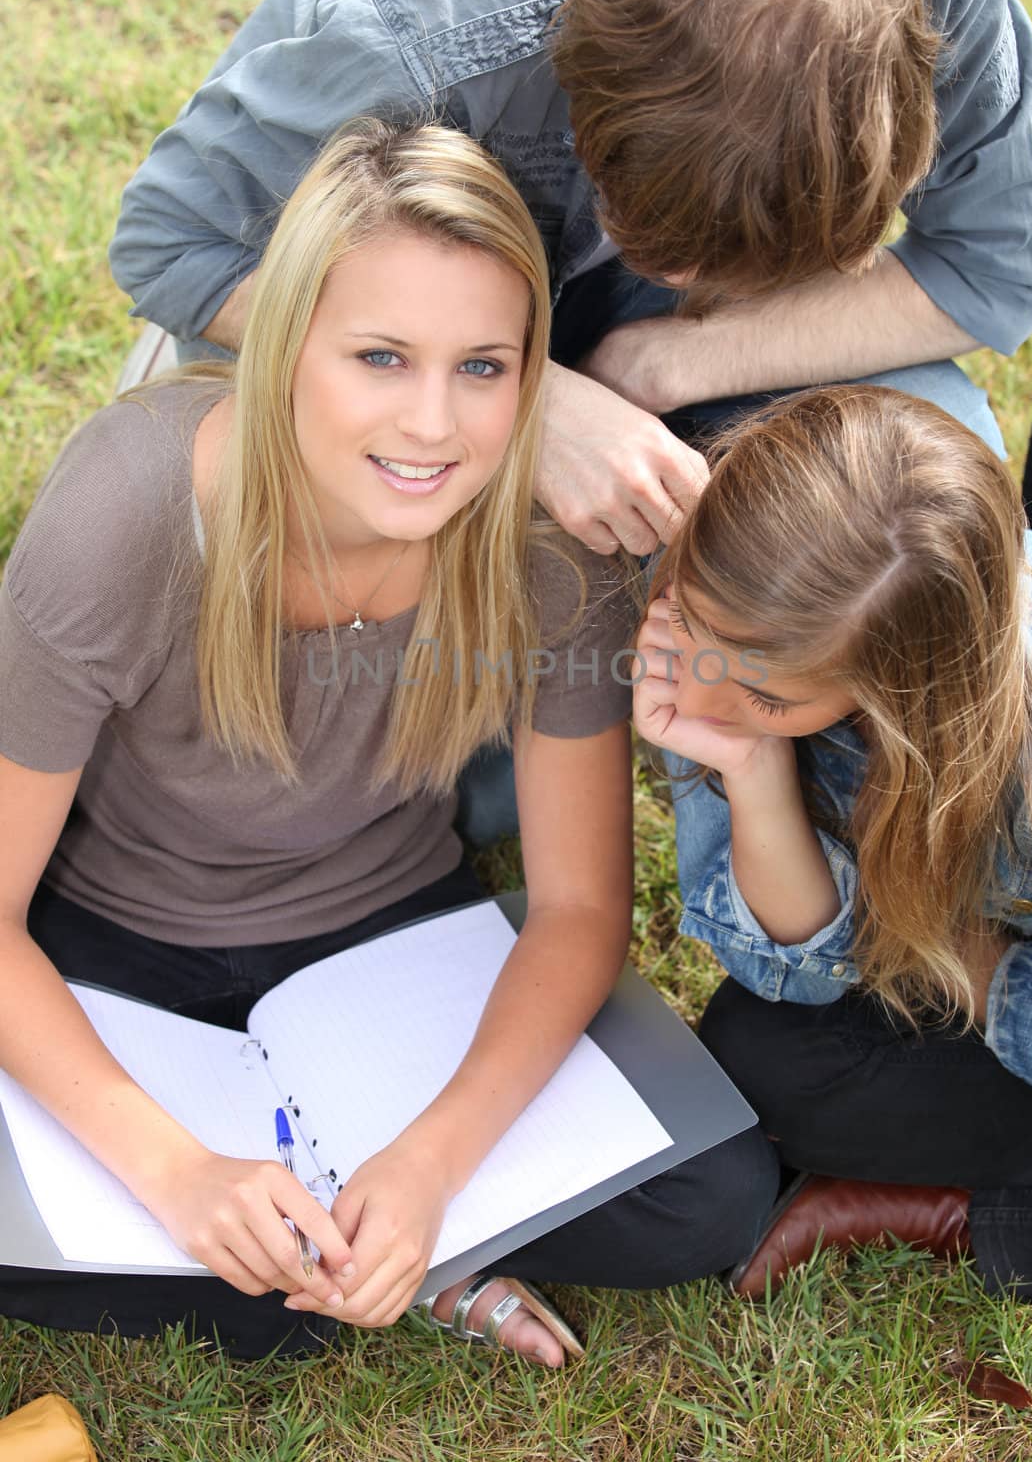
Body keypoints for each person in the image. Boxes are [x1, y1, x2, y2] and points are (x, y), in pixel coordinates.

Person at [0, 119, 775, 1364]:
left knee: (712, 1192)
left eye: (482, 367)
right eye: (378, 356)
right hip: (115, 943)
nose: (431, 426)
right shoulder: (127, 510)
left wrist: (428, 1165)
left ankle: (387, 1244)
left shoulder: (546, 540)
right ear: (284, 345)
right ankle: (377, 1265)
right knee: (119, 1226)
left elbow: (577, 907)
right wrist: (179, 1170)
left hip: (389, 936)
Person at [108, 0, 1032, 559]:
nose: (682, 281)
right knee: (454, 778)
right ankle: (195, 398)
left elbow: (998, 261)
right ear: (582, 85)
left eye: (722, 265)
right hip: (389, 307)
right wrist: (532, 403)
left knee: (905, 550)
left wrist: (668, 360)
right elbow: (174, 239)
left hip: (642, 344)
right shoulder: (445, 25)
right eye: (650, 227)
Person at [633, 385, 1032, 1303]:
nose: (697, 692)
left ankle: (981, 1219)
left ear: (911, 684)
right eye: (692, 622)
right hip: (970, 984)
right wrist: (752, 766)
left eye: (769, 701)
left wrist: (980, 976)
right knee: (764, 1057)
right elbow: (791, 975)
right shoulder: (752, 613)